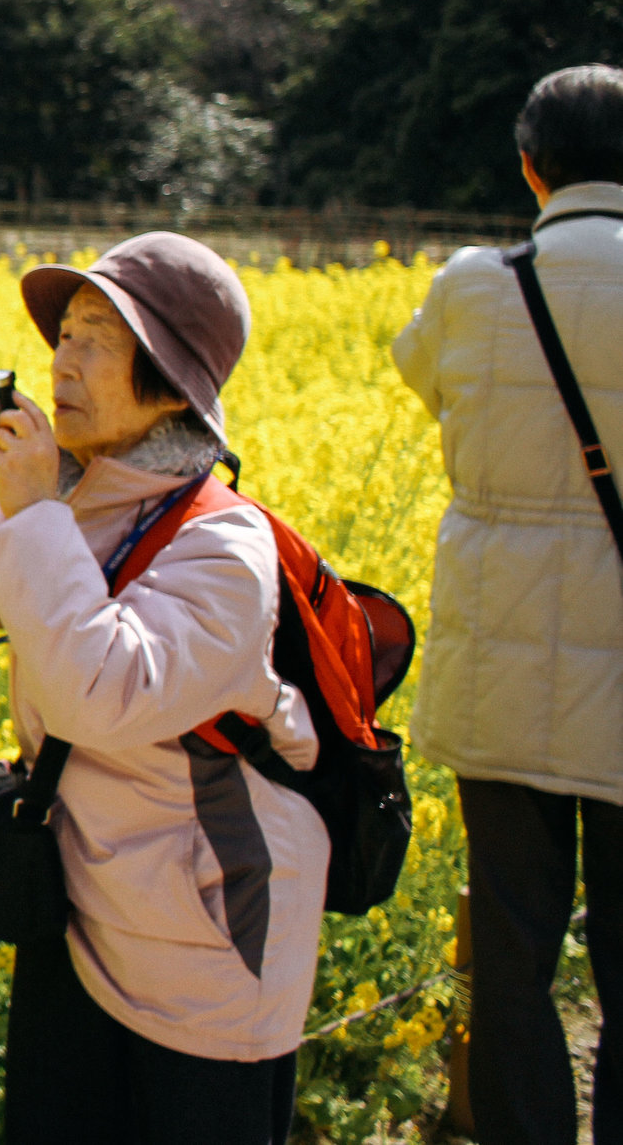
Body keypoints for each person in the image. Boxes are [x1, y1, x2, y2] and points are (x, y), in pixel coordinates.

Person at [0, 233, 323, 1143]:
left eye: (95, 340)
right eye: (62, 336)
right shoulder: (65, 503)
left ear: (170, 384)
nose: (61, 363)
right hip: (75, 914)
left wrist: (33, 510)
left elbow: (97, 696)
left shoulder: (225, 548)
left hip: (207, 949)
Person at [392, 63, 623, 1144]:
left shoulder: (475, 285)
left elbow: (423, 376)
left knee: (513, 948)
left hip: (499, 668)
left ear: (530, 168)